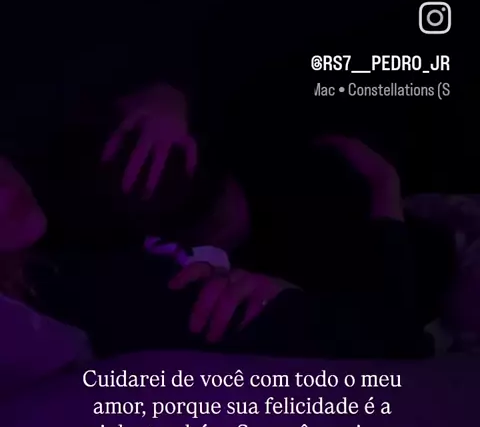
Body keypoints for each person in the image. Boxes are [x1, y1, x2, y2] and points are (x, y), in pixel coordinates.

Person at [0, 138, 433, 360]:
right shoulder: (107, 300)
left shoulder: (50, 266)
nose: (5, 180)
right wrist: (384, 187)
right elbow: (395, 339)